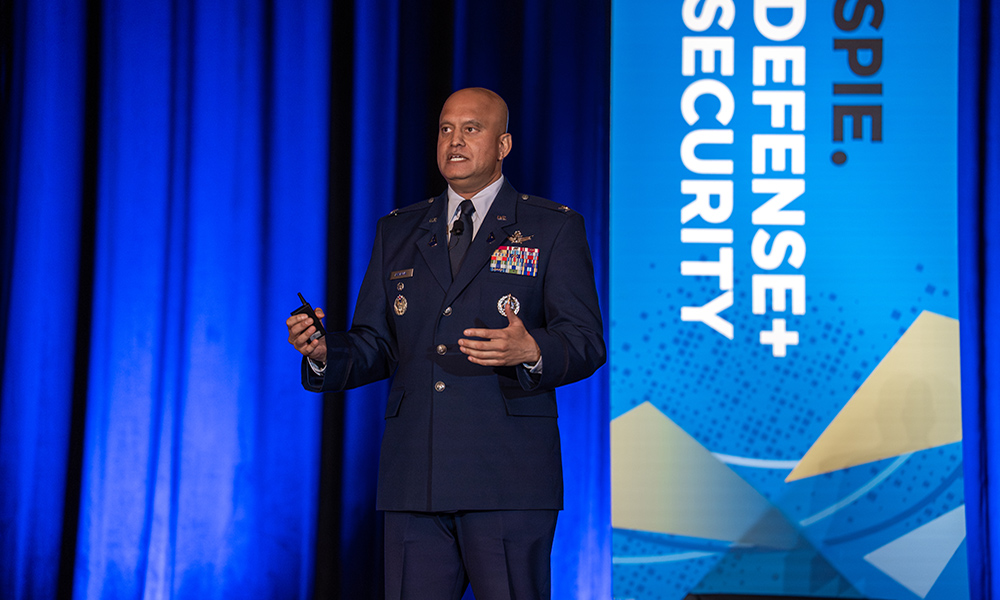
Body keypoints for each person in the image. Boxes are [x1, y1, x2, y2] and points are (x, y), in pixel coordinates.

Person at [286, 87, 605, 600]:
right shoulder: (399, 230)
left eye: (471, 129)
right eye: (445, 129)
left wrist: (533, 351)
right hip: (417, 478)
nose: (454, 141)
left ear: (503, 144)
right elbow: (378, 343)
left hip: (507, 476)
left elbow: (586, 341)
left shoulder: (552, 227)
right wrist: (326, 354)